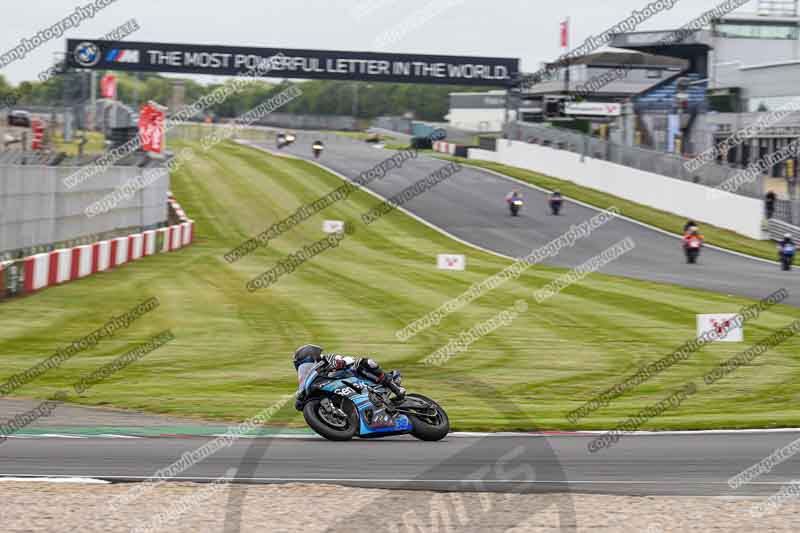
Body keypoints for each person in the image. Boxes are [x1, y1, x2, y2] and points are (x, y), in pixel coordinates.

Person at [293, 344, 405, 410]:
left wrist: (340, 362)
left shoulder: (328, 359)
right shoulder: (308, 376)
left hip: (354, 378)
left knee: (366, 363)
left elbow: (350, 359)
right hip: (339, 390)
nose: (306, 368)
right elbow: (301, 394)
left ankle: (395, 388)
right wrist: (301, 399)